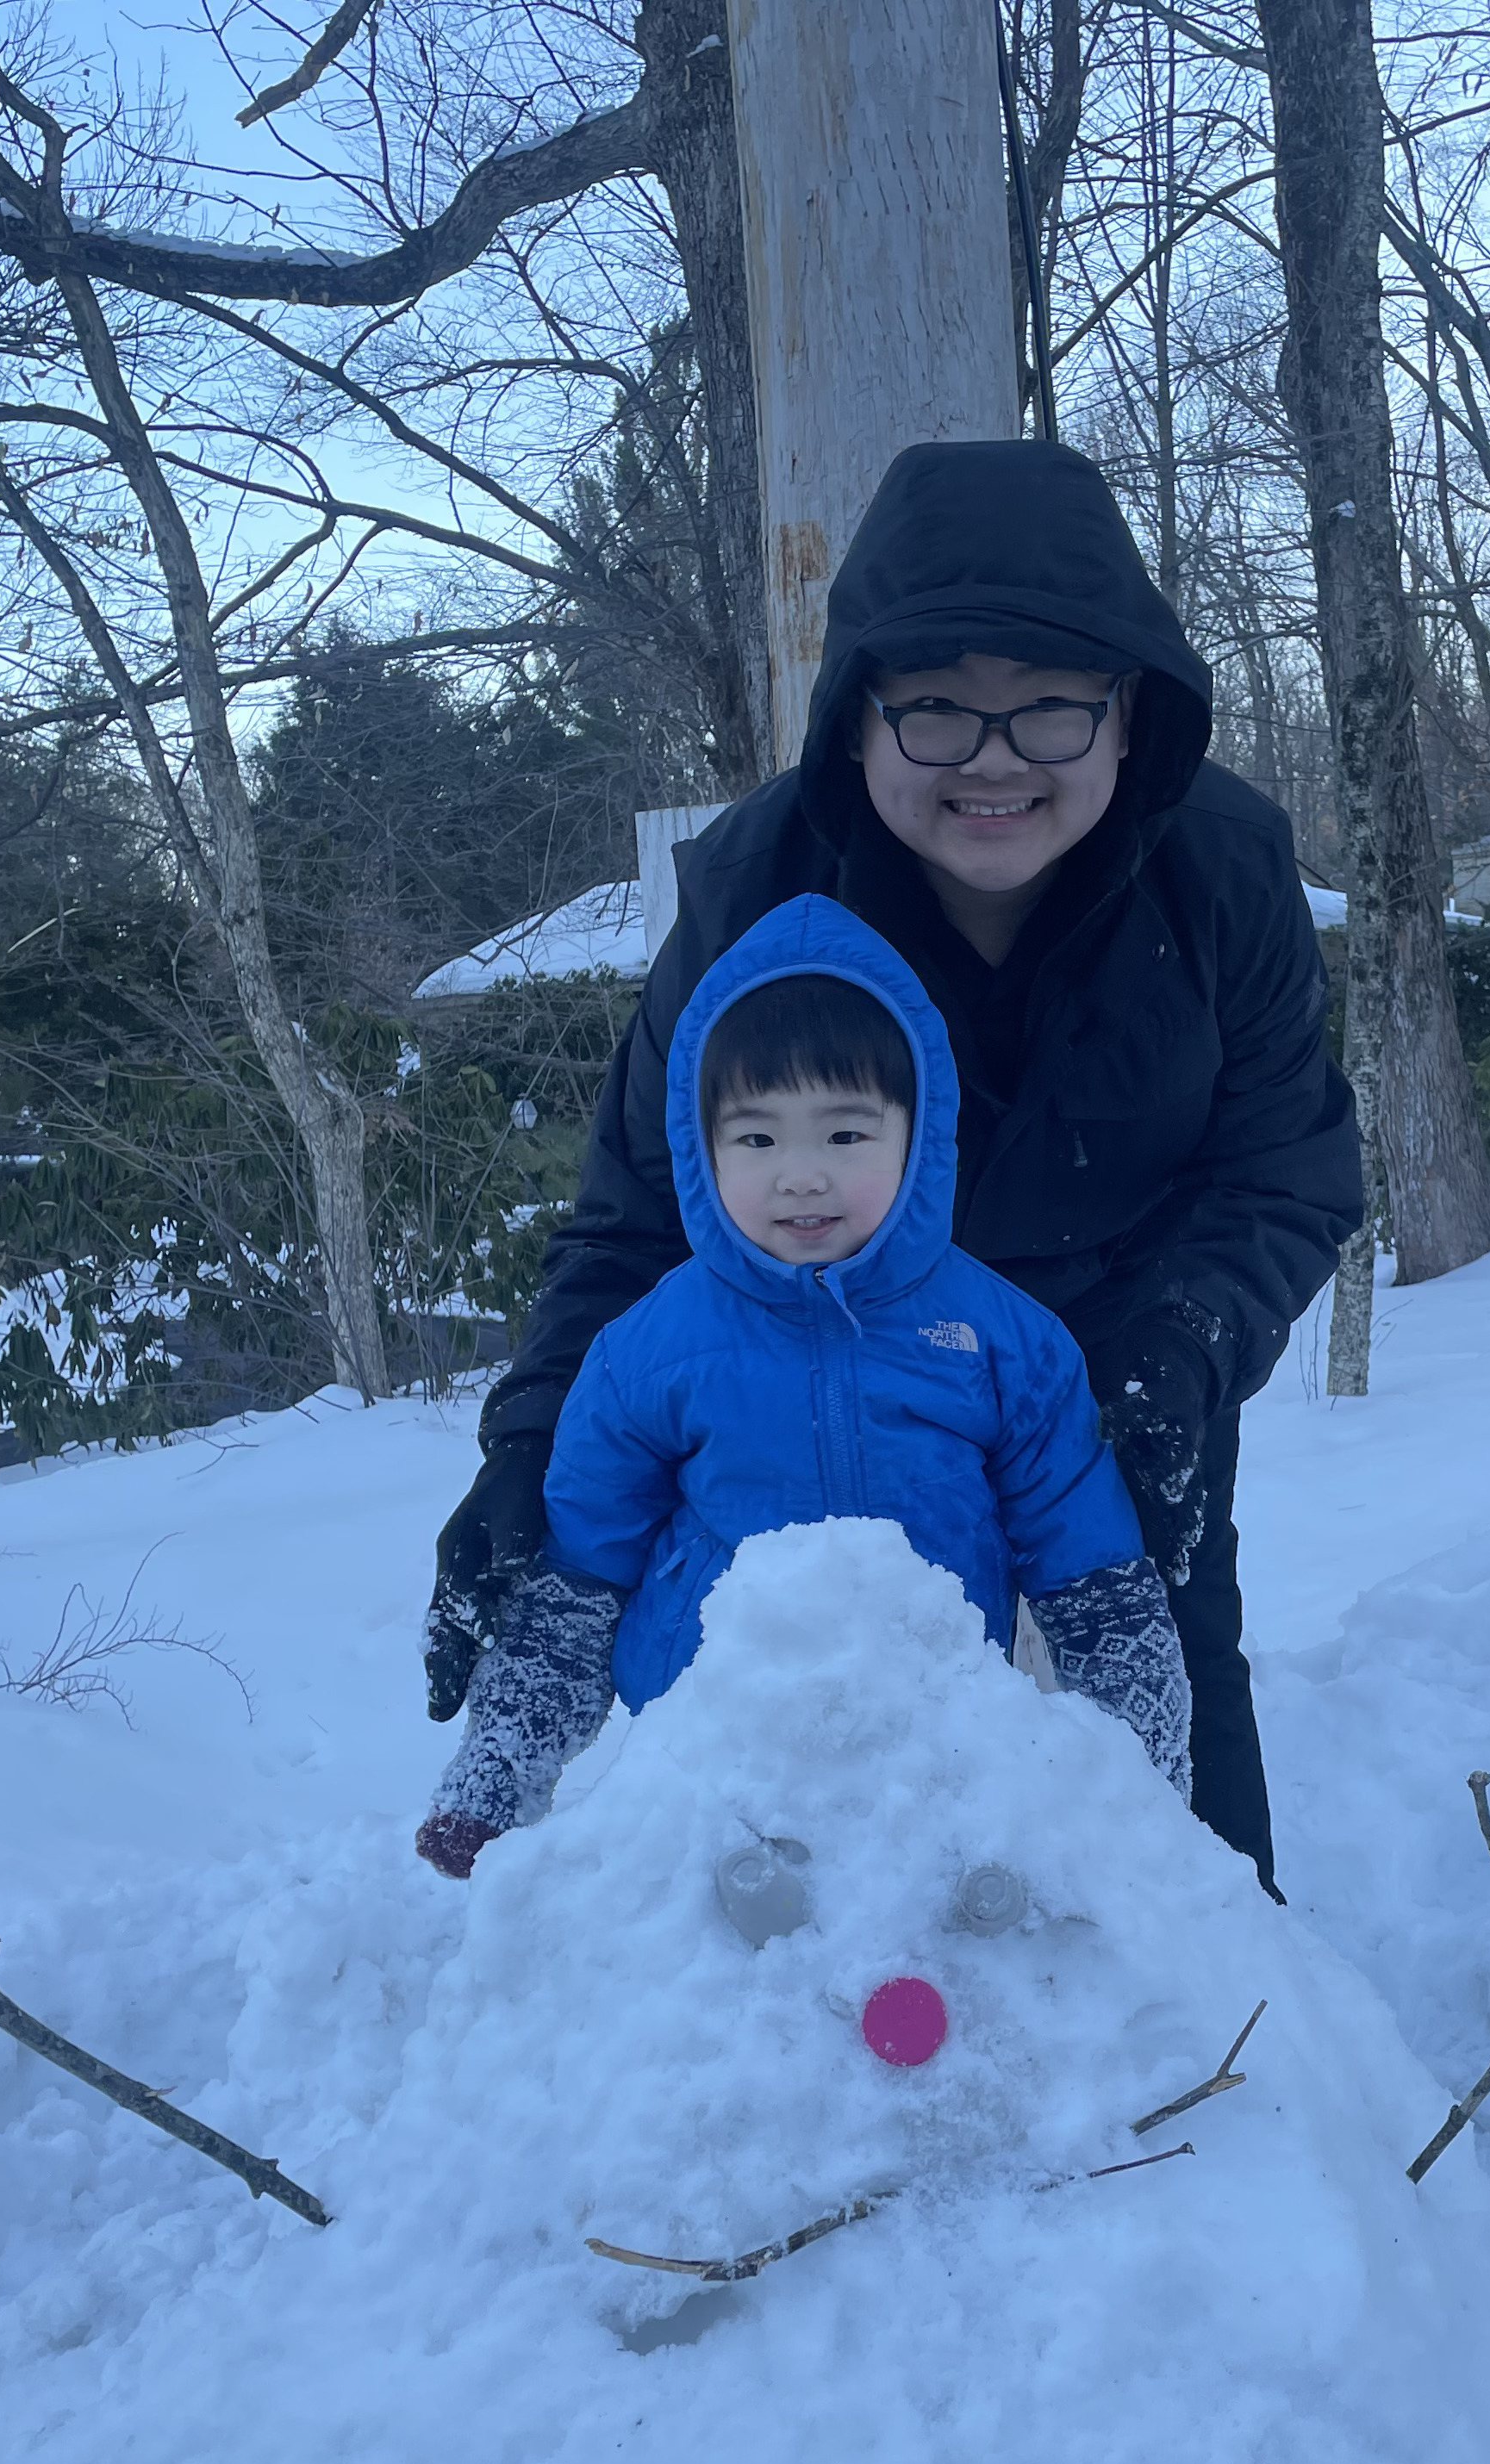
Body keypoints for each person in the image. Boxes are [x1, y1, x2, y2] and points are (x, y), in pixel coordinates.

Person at [427, 439, 1359, 1895]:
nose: (994, 760)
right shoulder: (753, 892)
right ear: (857, 718)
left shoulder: (1225, 870)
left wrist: (1186, 1344)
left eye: (1049, 706)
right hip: (825, 1356)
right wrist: (529, 1454)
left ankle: (1217, 2004)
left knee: (1167, 1669)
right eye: (936, 709)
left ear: (1129, 716)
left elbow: (1284, 1166)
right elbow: (632, 1215)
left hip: (1125, 1344)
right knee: (818, 1704)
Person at [414, 896, 1190, 1872]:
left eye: (845, 1135)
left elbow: (1094, 1581)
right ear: (701, 1149)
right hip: (711, 1762)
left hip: (939, 1753)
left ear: (920, 1132)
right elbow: (578, 1589)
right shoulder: (646, 1353)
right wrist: (495, 1775)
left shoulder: (1005, 1344)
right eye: (759, 1140)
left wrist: (1148, 1788)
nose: (802, 1177)